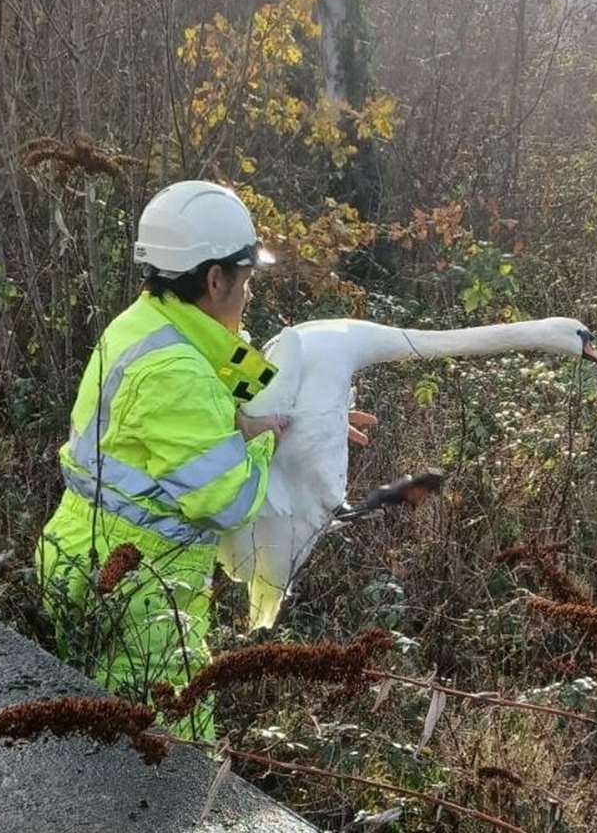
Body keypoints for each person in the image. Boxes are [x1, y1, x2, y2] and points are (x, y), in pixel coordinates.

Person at [35, 180, 372, 739]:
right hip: (139, 592)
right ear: (215, 279)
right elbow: (230, 500)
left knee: (91, 737)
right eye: (245, 282)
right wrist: (266, 438)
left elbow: (231, 384)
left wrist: (316, 419)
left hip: (83, 554)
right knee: (171, 756)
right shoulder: (177, 373)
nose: (248, 296)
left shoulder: (150, 324)